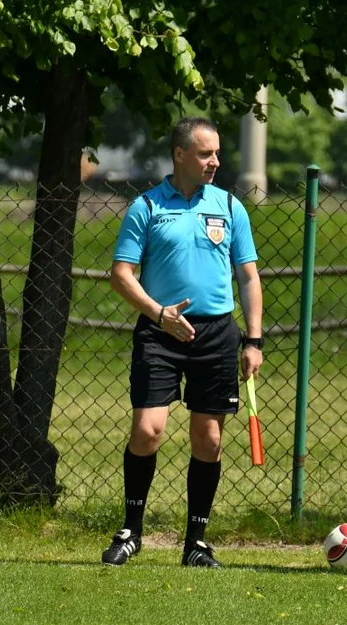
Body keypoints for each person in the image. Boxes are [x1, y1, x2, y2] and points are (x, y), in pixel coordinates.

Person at [103, 117, 263, 568]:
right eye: (205, 153)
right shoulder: (147, 207)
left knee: (208, 439)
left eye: (216, 154)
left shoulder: (231, 207)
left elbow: (248, 277)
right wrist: (159, 314)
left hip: (216, 334)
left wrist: (253, 339)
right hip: (161, 330)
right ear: (179, 154)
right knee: (147, 431)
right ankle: (131, 530)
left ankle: (196, 542)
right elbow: (120, 275)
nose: (215, 162)